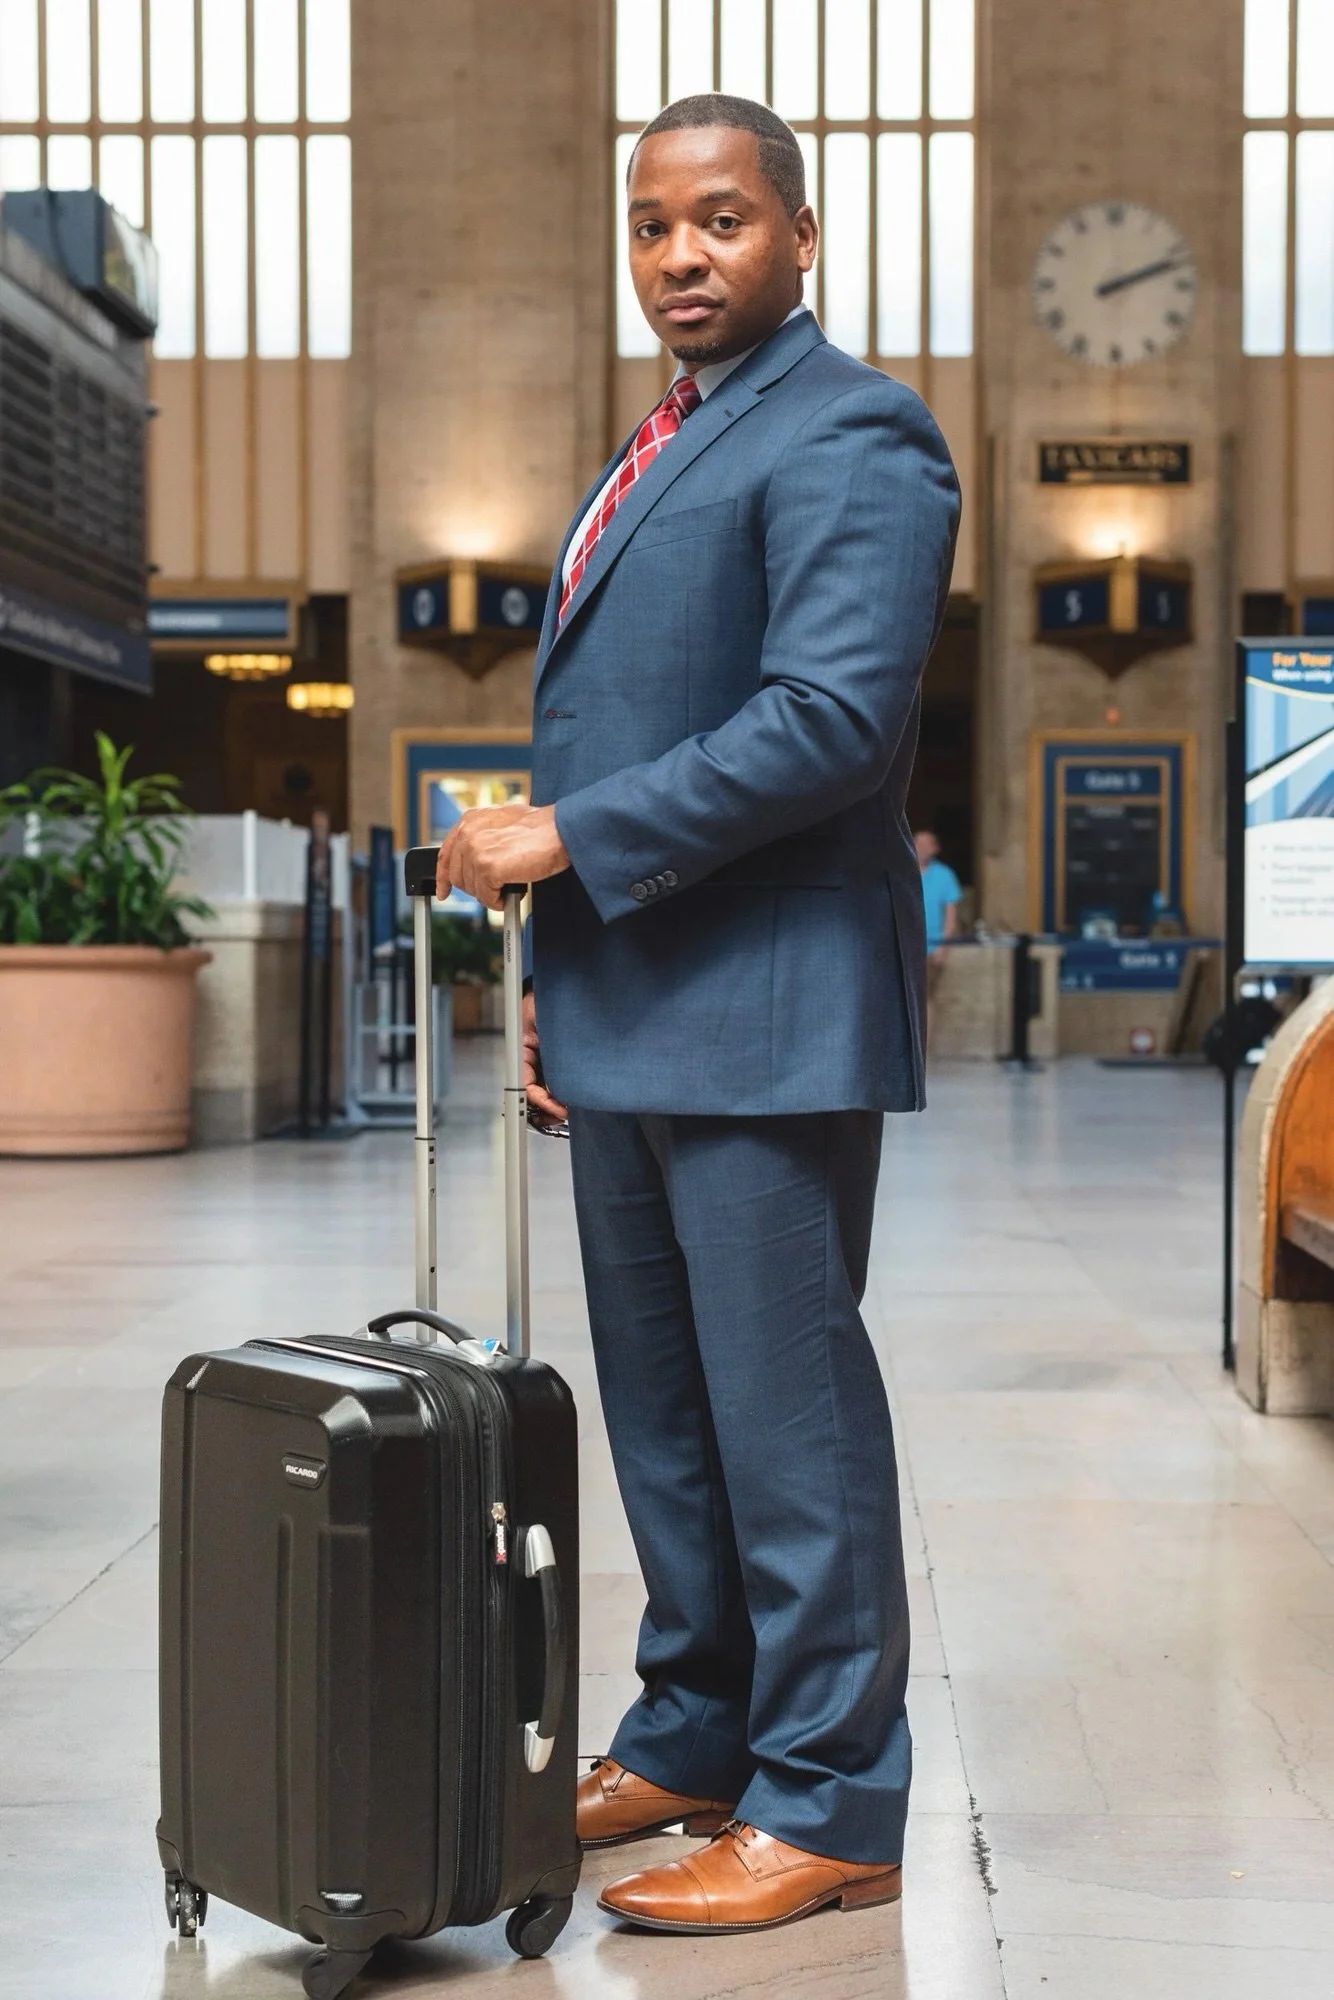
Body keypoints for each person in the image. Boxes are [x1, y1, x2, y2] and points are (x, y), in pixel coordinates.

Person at [436, 93, 959, 1936]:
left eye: (722, 220)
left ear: (799, 234)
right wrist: (559, 971)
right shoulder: (659, 439)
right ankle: (696, 1730)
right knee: (664, 1416)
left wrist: (567, 834)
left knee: (784, 1419)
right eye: (652, 226)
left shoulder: (853, 431)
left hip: (766, 1014)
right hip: (635, 1000)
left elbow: (827, 722)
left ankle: (829, 1798)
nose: (680, 256)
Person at [915, 828, 962, 1038]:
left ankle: (924, 1047)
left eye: (927, 844)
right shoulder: (901, 871)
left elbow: (951, 915)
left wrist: (944, 945)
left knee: (925, 997)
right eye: (918, 843)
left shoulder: (945, 875)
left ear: (935, 849)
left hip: (931, 947)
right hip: (904, 947)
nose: (921, 848)